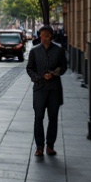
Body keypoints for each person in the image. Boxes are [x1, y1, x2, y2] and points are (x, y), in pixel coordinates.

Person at [26, 25, 68, 157]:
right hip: (39, 88)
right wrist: (37, 78)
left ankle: (50, 145)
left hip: (54, 89)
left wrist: (54, 74)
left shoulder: (59, 50)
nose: (44, 38)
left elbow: (64, 67)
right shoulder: (34, 51)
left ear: (51, 36)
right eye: (42, 35)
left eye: (46, 35)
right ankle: (39, 146)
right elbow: (29, 68)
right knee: (38, 117)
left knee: (53, 118)